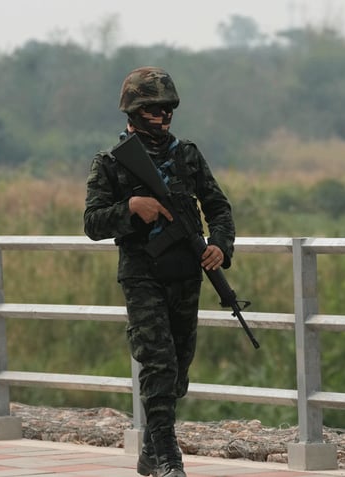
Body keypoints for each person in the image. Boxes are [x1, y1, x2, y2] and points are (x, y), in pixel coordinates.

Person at [84, 66, 236, 477]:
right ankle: (169, 459)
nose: (163, 116)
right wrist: (132, 210)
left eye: (167, 108)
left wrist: (220, 244)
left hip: (185, 273)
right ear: (133, 112)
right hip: (142, 274)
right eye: (153, 108)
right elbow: (93, 223)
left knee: (179, 366)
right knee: (158, 363)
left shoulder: (187, 155)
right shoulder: (112, 165)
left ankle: (151, 450)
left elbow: (218, 207)